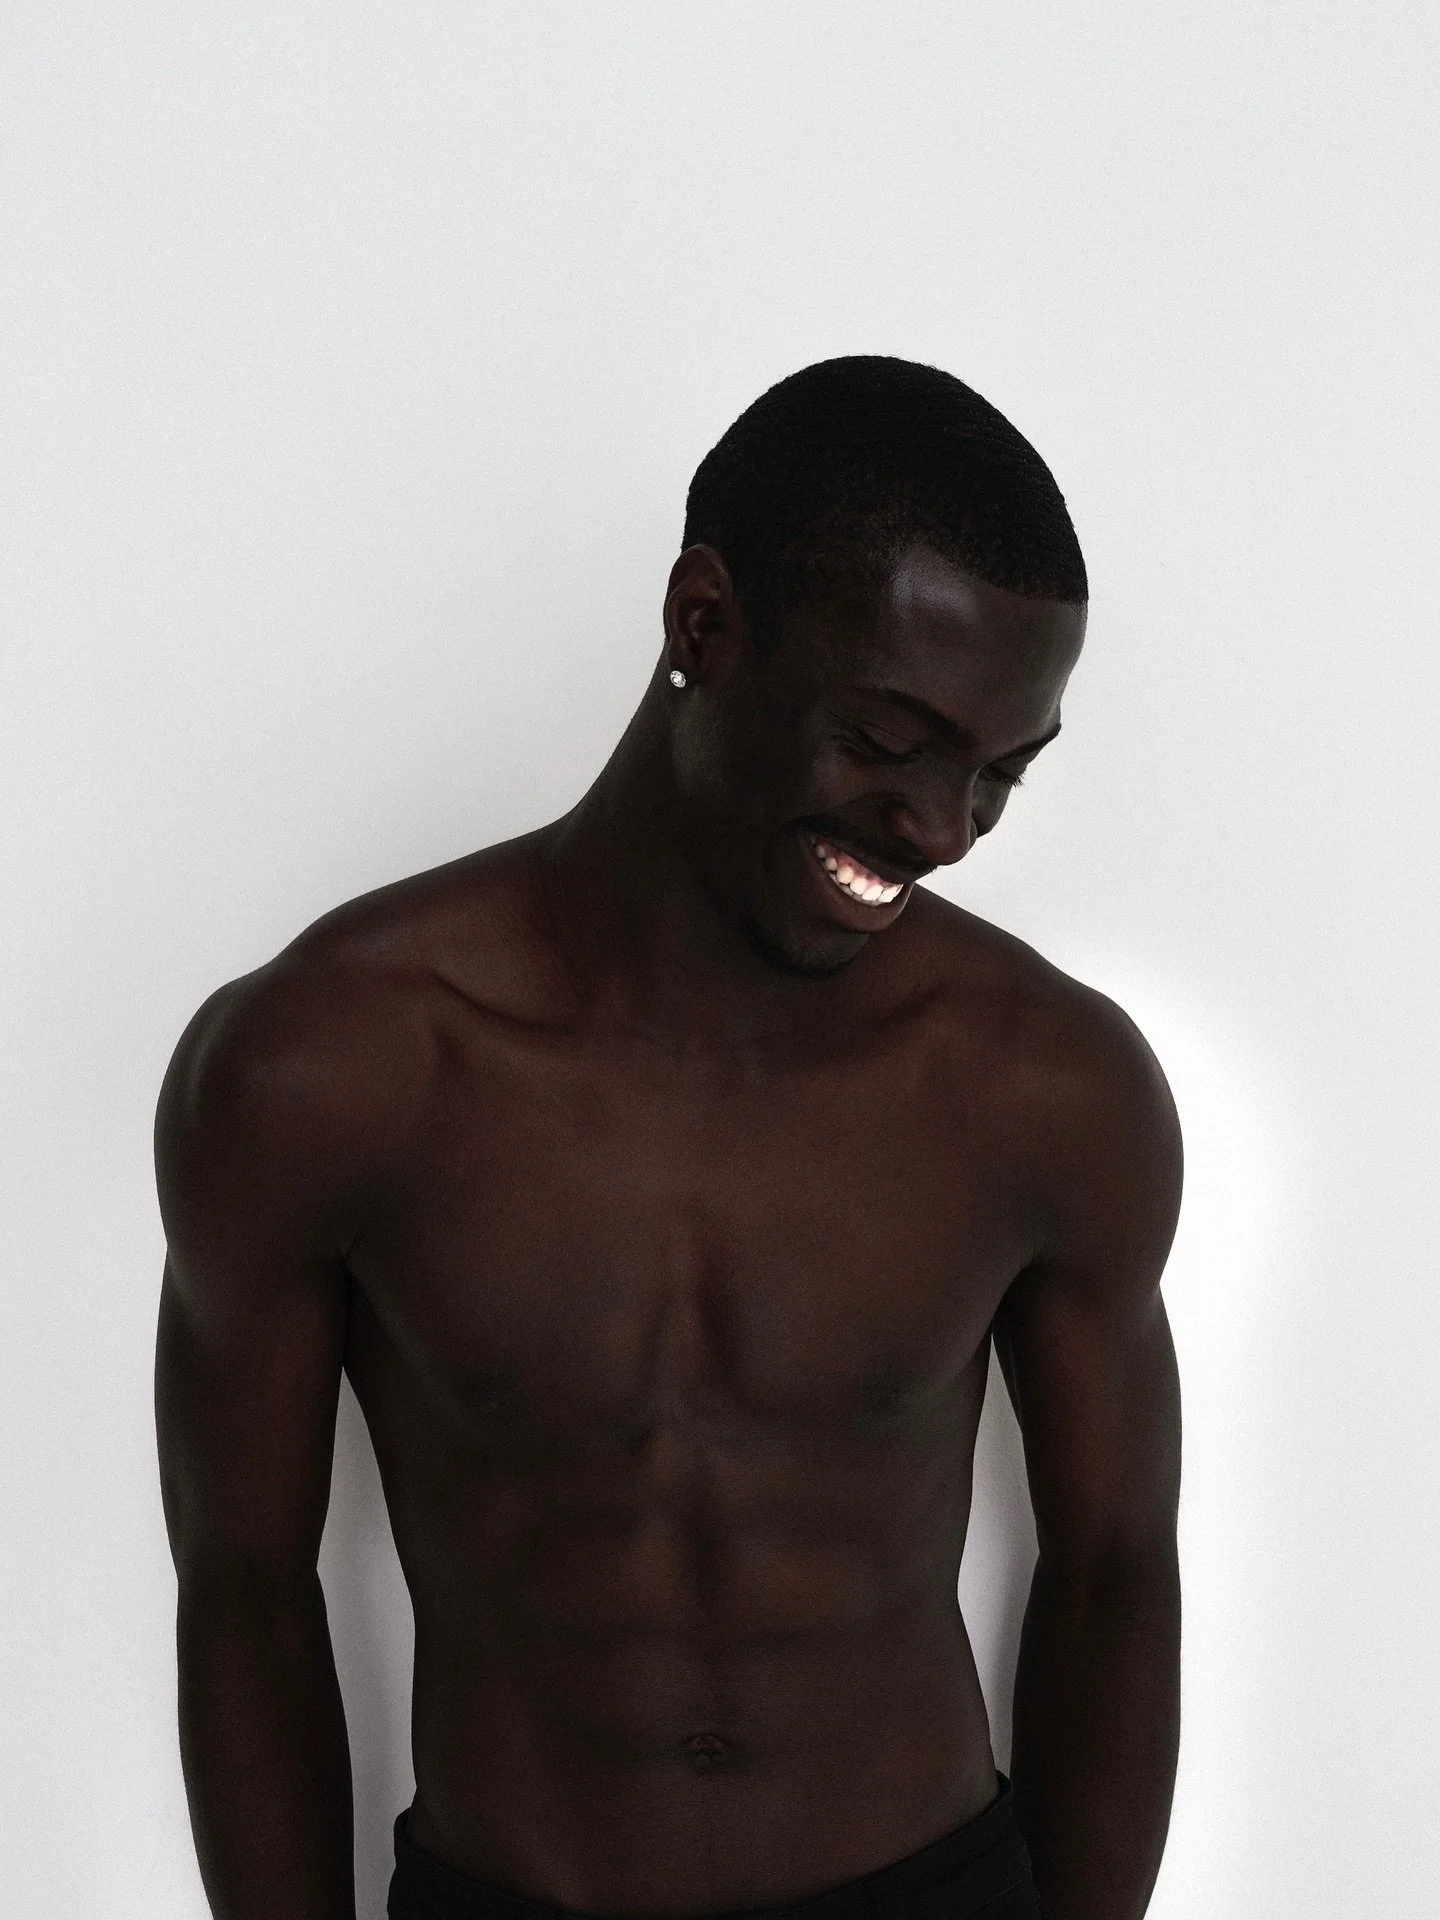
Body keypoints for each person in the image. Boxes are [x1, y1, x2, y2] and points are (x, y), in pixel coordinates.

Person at [155, 356, 1182, 1920]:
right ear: (703, 624)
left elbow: (1114, 1570)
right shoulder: (328, 1067)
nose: (946, 827)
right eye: (891, 742)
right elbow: (244, 1596)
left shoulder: (1042, 1085)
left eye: (998, 775)